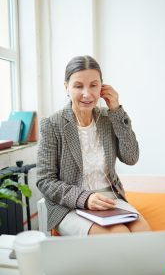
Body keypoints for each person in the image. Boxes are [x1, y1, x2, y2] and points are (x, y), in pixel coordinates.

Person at [36, 55, 151, 235]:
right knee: (118, 235)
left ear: (102, 87)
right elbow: (45, 181)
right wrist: (85, 198)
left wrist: (117, 110)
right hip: (70, 205)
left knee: (144, 233)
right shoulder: (52, 124)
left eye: (93, 85)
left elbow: (131, 157)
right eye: (78, 86)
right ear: (66, 87)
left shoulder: (109, 117)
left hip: (110, 199)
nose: (87, 94)